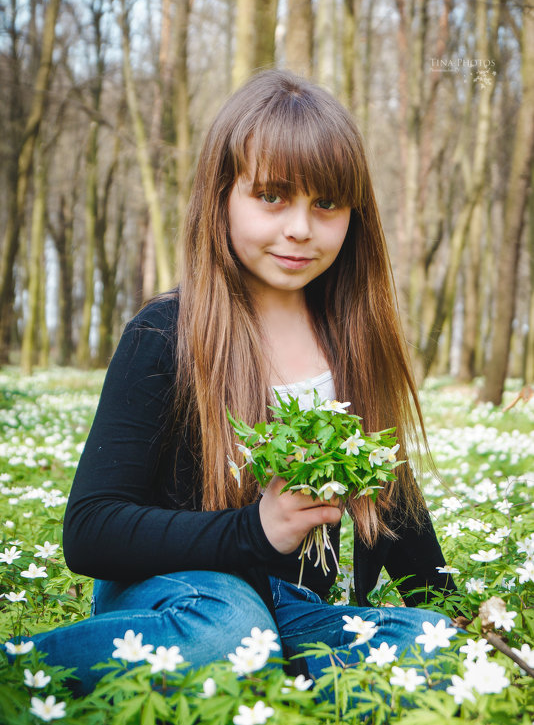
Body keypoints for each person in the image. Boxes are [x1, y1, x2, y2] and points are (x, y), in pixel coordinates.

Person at [21, 70, 456, 695]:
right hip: (179, 595)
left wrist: (455, 618)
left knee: (425, 645)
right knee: (228, 630)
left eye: (326, 203)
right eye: (272, 197)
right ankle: (24, 668)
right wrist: (256, 531)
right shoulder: (167, 332)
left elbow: (395, 510)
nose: (301, 228)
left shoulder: (351, 341)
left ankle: (267, 669)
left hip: (290, 611)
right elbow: (90, 530)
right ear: (222, 195)